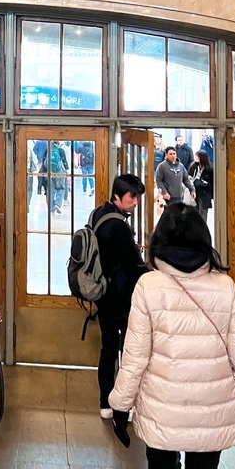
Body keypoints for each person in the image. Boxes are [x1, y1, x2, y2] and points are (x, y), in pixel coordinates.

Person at [109, 202, 235, 469]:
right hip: (212, 407)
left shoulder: (149, 285)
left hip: (162, 406)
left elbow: (135, 357)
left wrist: (120, 405)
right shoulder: (225, 286)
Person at [92, 174, 150, 420]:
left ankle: (105, 402)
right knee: (129, 352)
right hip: (122, 298)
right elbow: (135, 265)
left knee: (107, 349)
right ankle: (123, 405)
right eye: (132, 197)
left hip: (102, 293)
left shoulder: (98, 214)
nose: (135, 202)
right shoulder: (119, 226)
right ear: (118, 195)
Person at [189, 150, 215, 223]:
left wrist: (212, 195)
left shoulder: (209, 169)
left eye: (198, 156)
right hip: (195, 192)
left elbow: (212, 182)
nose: (196, 158)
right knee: (195, 212)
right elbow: (189, 177)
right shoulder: (193, 166)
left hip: (205, 193)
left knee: (203, 212)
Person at [49, 140, 70, 214]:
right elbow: (65, 162)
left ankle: (51, 208)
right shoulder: (61, 150)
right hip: (60, 172)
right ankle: (57, 204)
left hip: (50, 173)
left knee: (51, 190)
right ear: (58, 143)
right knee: (61, 189)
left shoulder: (48, 149)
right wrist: (67, 170)